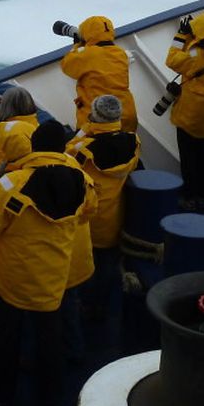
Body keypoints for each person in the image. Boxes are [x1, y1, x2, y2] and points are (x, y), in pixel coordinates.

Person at [0, 118, 95, 406]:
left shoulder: (12, 183)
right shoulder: (81, 179)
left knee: (6, 339)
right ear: (61, 148)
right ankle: (50, 400)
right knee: (49, 340)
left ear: (35, 147)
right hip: (52, 277)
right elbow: (87, 213)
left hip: (11, 278)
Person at [67, 95, 138, 321]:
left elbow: (67, 155)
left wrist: (88, 126)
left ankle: (88, 305)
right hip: (115, 214)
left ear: (95, 115)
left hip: (91, 218)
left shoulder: (85, 149)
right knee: (108, 263)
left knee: (89, 265)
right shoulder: (133, 141)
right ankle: (105, 304)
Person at [163, 12, 204, 211]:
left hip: (191, 112)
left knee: (189, 155)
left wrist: (180, 36)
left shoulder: (197, 54)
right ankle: (202, 188)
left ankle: (191, 194)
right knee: (200, 151)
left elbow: (172, 60)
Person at [59, 15, 138, 133]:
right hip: (126, 114)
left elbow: (66, 66)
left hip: (97, 120)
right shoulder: (120, 53)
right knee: (125, 148)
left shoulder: (87, 54)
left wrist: (78, 45)